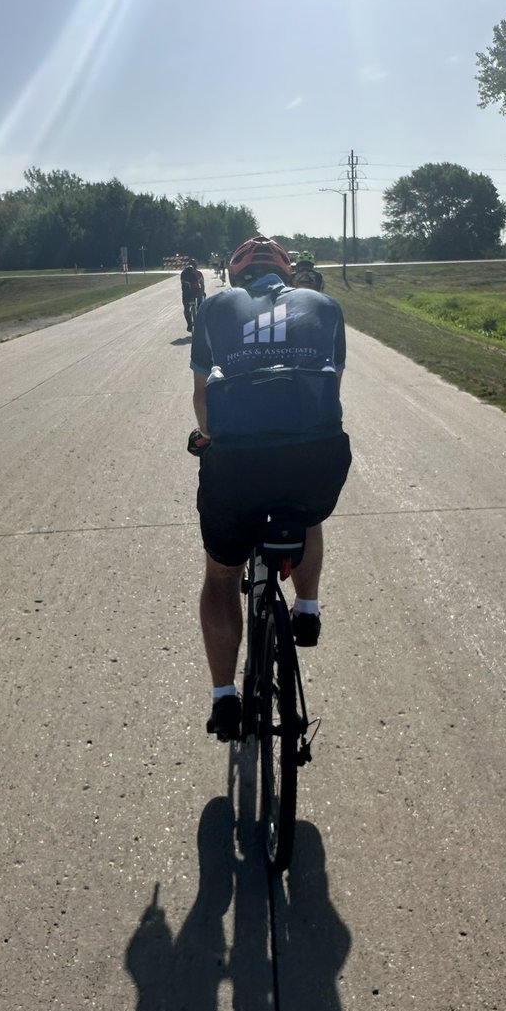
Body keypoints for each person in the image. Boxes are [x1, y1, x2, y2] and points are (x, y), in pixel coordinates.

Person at [188, 235, 351, 741]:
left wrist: (208, 439)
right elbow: (330, 391)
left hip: (237, 465)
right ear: (288, 272)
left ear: (237, 276)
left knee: (221, 576)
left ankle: (224, 699)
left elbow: (203, 400)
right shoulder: (326, 306)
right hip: (316, 458)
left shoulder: (213, 308)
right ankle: (307, 609)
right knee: (308, 513)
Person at [180, 262, 206, 331]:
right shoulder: (199, 273)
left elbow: (183, 285)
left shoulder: (183, 273)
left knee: (186, 308)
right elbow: (202, 284)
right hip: (196, 292)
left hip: (186, 293)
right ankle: (200, 315)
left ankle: (189, 325)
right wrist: (202, 292)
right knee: (200, 304)